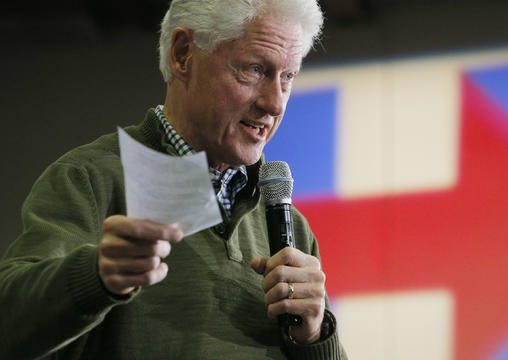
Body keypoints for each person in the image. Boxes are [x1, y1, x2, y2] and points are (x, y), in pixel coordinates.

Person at [0, 0, 348, 359]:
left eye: (288, 76)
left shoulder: (290, 226)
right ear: (183, 55)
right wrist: (94, 278)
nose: (275, 103)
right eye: (255, 69)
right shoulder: (90, 180)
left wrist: (314, 336)